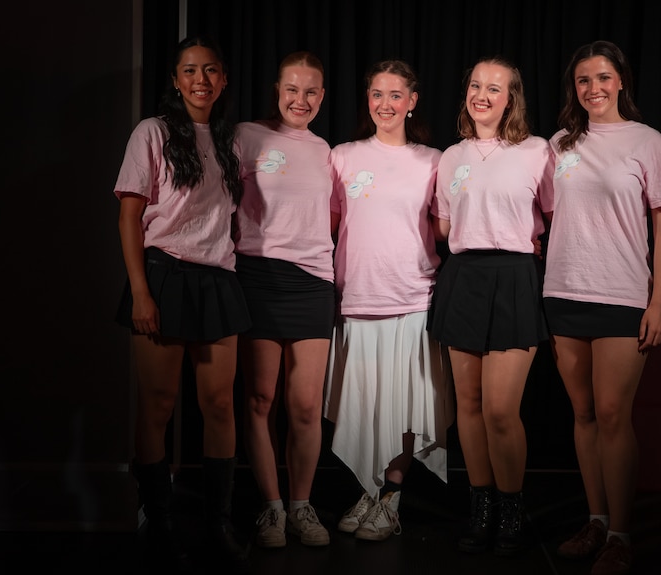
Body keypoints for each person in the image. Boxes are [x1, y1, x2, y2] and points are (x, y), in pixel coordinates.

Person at [114, 36, 250, 574]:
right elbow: (129, 216)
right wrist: (142, 291)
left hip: (217, 279)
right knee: (159, 406)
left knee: (219, 405)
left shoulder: (227, 140)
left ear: (222, 80)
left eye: (210, 70)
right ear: (175, 80)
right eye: (190, 71)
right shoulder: (152, 132)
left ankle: (217, 521)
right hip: (164, 276)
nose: (200, 79)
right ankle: (161, 521)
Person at [541, 40, 661, 575]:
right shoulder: (560, 143)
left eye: (602, 78)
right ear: (574, 89)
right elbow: (546, 212)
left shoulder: (648, 142)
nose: (593, 88)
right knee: (583, 414)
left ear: (621, 80)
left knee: (615, 415)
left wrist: (658, 301)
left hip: (623, 295)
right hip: (564, 292)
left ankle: (621, 534)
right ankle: (595, 519)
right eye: (582, 81)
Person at [323, 60, 454, 542]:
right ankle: (368, 487)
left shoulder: (435, 160)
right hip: (357, 297)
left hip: (412, 298)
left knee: (402, 406)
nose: (385, 104)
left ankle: (391, 496)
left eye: (396, 95)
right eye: (377, 94)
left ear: (413, 100)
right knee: (364, 403)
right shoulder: (342, 156)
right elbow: (327, 228)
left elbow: (446, 228)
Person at [429, 56, 550, 556]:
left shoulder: (537, 151)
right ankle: (480, 510)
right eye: (475, 85)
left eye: (493, 88)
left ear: (511, 97)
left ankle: (511, 509)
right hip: (463, 277)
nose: (482, 94)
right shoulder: (450, 157)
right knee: (469, 407)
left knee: (502, 409)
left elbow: (555, 214)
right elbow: (442, 225)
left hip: (514, 277)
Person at [234, 51, 335, 548]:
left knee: (305, 405)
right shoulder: (246, 136)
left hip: (314, 280)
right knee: (260, 398)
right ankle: (271, 509)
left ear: (322, 96)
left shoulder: (325, 151)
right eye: (292, 89)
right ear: (277, 90)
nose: (301, 99)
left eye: (311, 90)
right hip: (256, 275)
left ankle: (301, 505)